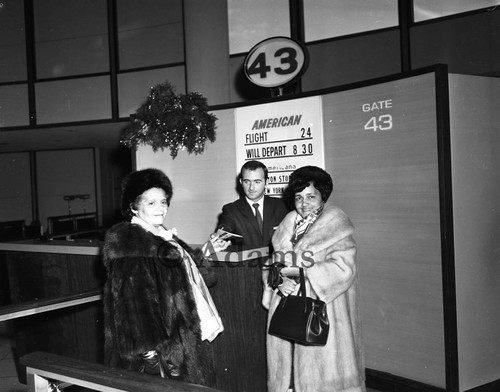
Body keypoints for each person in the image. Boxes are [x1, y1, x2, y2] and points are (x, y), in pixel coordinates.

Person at [102, 168, 227, 387]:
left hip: (183, 340)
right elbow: (132, 310)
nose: (161, 208)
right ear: (133, 206)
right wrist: (154, 360)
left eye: (163, 201)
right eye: (151, 203)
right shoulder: (131, 245)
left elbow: (188, 279)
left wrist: (206, 251)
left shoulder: (160, 236)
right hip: (166, 352)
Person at [262, 166, 365, 392]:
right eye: (299, 197)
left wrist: (303, 274)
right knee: (287, 379)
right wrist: (278, 279)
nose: (304, 203)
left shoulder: (335, 227)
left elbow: (343, 269)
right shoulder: (288, 226)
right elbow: (272, 264)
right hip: (287, 309)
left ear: (323, 197)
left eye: (311, 196)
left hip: (324, 313)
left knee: (322, 380)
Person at [215, 160, 288, 249]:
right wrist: (218, 239)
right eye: (247, 182)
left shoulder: (281, 206)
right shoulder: (231, 209)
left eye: (257, 182)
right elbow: (225, 229)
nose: (251, 187)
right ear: (241, 182)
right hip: (247, 262)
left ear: (266, 182)